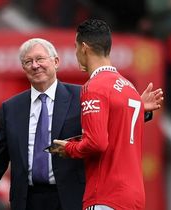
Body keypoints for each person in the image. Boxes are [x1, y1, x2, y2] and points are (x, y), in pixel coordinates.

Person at [0, 37, 163, 210]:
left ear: (56, 61)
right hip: (26, 200)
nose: (35, 65)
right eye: (28, 61)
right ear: (23, 68)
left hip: (70, 197)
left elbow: (110, 124)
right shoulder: (11, 108)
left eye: (40, 59)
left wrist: (138, 108)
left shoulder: (82, 95)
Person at [52, 19, 148, 210]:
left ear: (84, 48)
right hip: (135, 197)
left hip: (107, 196)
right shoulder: (129, 87)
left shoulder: (94, 87)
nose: (76, 53)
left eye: (76, 47)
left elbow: (97, 142)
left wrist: (70, 148)